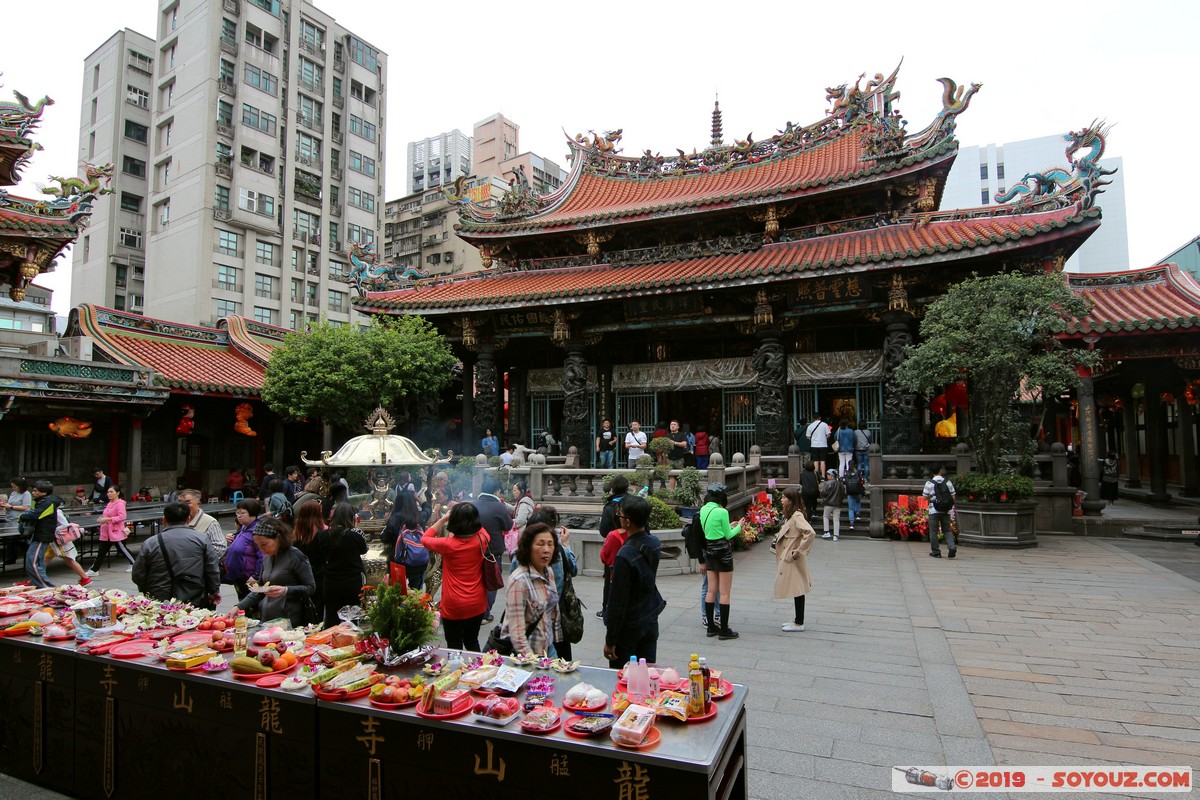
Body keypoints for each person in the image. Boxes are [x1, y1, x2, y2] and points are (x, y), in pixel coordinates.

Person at [602, 495, 666, 667]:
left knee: (624, 679)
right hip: (650, 618)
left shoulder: (625, 556)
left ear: (627, 522)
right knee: (647, 673)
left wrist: (610, 640)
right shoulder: (654, 543)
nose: (618, 518)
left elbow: (617, 601)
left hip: (630, 627)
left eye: (620, 515)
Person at [421, 502, 488, 651]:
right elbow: (481, 528)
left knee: (454, 645)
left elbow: (425, 538)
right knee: (472, 641)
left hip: (454, 604)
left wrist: (443, 519)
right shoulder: (482, 539)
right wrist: (467, 511)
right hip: (477, 601)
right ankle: (477, 672)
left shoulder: (447, 544)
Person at [132, 502, 221, 608]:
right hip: (193, 596)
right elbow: (212, 568)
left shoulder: (151, 543)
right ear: (188, 519)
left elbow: (138, 574)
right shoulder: (203, 539)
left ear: (164, 520)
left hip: (159, 598)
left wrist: (147, 590)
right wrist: (214, 590)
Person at [237, 518, 317, 626]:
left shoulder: (295, 556)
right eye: (258, 546)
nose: (261, 550)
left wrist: (286, 590)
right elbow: (260, 588)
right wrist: (239, 606)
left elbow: (310, 587)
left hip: (291, 620)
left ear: (278, 538)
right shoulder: (267, 559)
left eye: (264, 544)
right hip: (268, 619)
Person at [525, 505, 578, 660]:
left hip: (532, 619)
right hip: (556, 616)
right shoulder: (559, 550)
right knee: (560, 659)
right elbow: (573, 570)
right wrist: (566, 544)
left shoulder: (521, 555)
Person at [503, 522, 562, 657]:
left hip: (548, 647)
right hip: (528, 653)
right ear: (528, 547)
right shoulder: (519, 581)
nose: (546, 549)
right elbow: (516, 632)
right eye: (540, 544)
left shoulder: (548, 571)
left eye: (550, 544)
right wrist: (532, 662)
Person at [700, 483, 740, 640]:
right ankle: (724, 629)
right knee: (724, 593)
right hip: (723, 551)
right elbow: (729, 535)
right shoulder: (722, 511)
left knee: (711, 590)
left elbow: (711, 531)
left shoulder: (703, 510)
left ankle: (711, 627)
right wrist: (740, 526)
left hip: (710, 550)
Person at [774, 486, 815, 632]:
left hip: (792, 557)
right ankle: (798, 619)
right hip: (790, 555)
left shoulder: (797, 516)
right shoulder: (792, 515)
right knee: (796, 588)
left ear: (791, 501)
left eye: (784, 497)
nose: (782, 499)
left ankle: (799, 622)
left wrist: (799, 551)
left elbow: (810, 533)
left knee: (797, 588)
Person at [473, 475, 513, 623]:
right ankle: (485, 613)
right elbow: (508, 526)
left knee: (476, 581)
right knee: (491, 581)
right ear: (496, 491)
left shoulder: (473, 504)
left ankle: (475, 610)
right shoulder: (499, 507)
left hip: (473, 550)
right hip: (492, 552)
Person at [321, 503, 368, 627]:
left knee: (332, 618)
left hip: (331, 582)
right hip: (352, 581)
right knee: (352, 618)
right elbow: (364, 549)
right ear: (351, 517)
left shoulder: (324, 535)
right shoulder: (356, 534)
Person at [290, 497, 329, 619]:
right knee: (317, 609)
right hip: (319, 575)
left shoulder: (296, 536)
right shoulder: (322, 534)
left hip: (300, 576)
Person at [597, 475, 629, 619]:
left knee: (609, 580)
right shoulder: (633, 503)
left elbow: (603, 530)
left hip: (614, 549)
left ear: (612, 489)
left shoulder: (610, 507)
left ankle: (607, 609)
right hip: (632, 547)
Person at [19, 480, 63, 588]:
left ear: (44, 492)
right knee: (38, 562)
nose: (32, 493)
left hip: (42, 535)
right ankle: (37, 584)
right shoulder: (42, 500)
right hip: (38, 534)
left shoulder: (48, 503)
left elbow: (36, 514)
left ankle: (46, 586)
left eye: (35, 491)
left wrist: (22, 515)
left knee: (31, 561)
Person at [383, 491, 428, 591]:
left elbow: (385, 538)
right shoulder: (420, 516)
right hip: (419, 563)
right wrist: (418, 498)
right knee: (416, 596)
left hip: (400, 564)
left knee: (399, 594)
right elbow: (428, 508)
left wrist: (386, 523)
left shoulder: (394, 518)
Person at [86, 485, 135, 575]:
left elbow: (122, 517)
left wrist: (107, 519)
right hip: (107, 532)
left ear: (118, 493)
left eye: (111, 492)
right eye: (108, 492)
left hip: (116, 532)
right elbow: (107, 515)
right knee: (101, 551)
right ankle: (94, 570)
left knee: (122, 549)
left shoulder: (120, 504)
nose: (109, 494)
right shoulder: (109, 503)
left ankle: (134, 564)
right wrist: (102, 518)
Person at [224, 498, 265, 600]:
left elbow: (263, 556)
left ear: (252, 513)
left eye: (243, 513)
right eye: (237, 512)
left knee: (251, 605)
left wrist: (256, 576)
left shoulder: (258, 531)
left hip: (249, 577)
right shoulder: (244, 527)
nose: (239, 515)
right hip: (238, 577)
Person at [923, 465, 957, 558]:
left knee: (933, 531)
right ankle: (952, 547)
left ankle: (936, 552)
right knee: (947, 530)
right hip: (946, 510)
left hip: (933, 510)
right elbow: (953, 496)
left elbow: (925, 497)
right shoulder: (948, 482)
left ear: (931, 472)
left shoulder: (929, 483)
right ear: (940, 471)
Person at [1, 477, 32, 565]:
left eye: (14, 487)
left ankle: (12, 557)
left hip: (18, 519)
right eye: (12, 487)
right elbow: (11, 503)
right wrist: (5, 504)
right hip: (9, 518)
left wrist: (11, 507)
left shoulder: (26, 494)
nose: (13, 488)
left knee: (13, 539)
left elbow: (27, 507)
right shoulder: (13, 493)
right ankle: (10, 558)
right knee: (8, 539)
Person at [509, 481, 535, 550]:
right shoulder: (521, 502)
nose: (513, 493)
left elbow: (520, 521)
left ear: (521, 491)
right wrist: (503, 504)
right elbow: (514, 509)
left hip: (523, 535)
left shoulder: (524, 504)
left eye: (515, 490)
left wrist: (508, 522)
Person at [820, 469, 845, 541]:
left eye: (828, 474)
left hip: (828, 503)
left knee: (825, 516)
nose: (827, 476)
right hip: (838, 503)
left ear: (831, 475)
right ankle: (836, 535)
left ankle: (826, 532)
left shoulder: (828, 483)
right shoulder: (840, 484)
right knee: (836, 519)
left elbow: (824, 492)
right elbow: (843, 493)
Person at [843, 460, 866, 530]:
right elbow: (862, 480)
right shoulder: (858, 472)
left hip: (850, 491)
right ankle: (858, 514)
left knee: (851, 508)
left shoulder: (846, 473)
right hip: (858, 490)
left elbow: (844, 482)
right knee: (857, 501)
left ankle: (852, 523)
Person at [667, 420, 688, 487]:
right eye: (671, 425)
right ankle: (672, 492)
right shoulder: (667, 435)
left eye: (674, 424)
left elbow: (684, 444)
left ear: (678, 427)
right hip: (669, 459)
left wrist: (674, 443)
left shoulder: (682, 435)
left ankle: (680, 490)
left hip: (679, 459)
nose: (672, 426)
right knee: (671, 476)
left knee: (680, 476)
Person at [799, 461, 820, 529]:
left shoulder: (803, 473)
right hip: (814, 491)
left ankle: (809, 519)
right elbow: (818, 481)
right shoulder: (815, 473)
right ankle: (814, 512)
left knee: (807, 506)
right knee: (814, 502)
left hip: (805, 492)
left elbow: (800, 482)